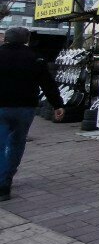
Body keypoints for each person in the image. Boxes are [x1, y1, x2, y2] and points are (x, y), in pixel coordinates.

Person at [0, 27, 64, 201]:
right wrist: (57, 104)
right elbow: (48, 83)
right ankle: (6, 181)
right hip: (25, 108)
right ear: (26, 40)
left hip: (1, 107)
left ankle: (2, 181)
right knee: (16, 143)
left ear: (6, 38)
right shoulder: (35, 57)